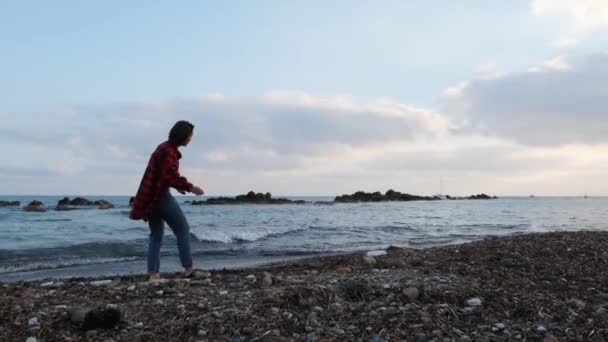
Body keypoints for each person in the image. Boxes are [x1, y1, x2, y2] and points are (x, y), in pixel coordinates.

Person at [129, 120, 205, 280]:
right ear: (183, 135)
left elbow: (163, 175)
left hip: (151, 198)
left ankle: (153, 274)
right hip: (160, 197)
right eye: (190, 136)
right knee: (183, 229)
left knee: (156, 234)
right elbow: (169, 176)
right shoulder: (168, 151)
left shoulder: (164, 147)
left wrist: (180, 186)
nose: (191, 139)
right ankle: (189, 269)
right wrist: (190, 187)